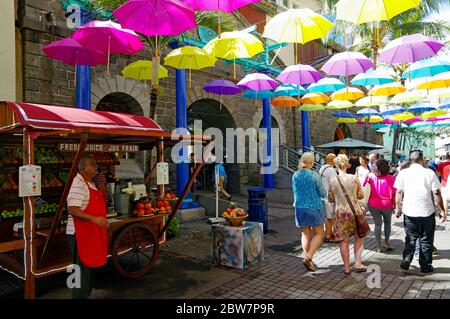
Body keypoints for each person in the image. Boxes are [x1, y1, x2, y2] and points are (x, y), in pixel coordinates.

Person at [394, 150, 446, 273]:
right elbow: (437, 193)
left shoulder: (403, 173)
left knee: (410, 237)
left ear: (410, 159)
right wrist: (442, 210)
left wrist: (397, 208)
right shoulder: (429, 173)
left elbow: (399, 192)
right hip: (427, 211)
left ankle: (407, 258)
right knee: (426, 239)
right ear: (422, 160)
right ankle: (425, 266)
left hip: (409, 211)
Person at [66, 154, 108, 299]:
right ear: (82, 168)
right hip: (79, 234)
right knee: (81, 274)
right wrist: (94, 219)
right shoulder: (78, 184)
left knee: (90, 271)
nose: (96, 166)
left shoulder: (90, 183)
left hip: (91, 233)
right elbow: (72, 209)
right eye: (92, 164)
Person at [328, 154, 367, 275]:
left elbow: (331, 199)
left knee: (343, 241)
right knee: (359, 237)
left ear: (336, 165)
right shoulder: (354, 178)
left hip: (340, 213)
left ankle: (346, 268)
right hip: (354, 212)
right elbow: (361, 195)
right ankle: (357, 263)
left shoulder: (333, 180)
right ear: (347, 165)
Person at [292, 152, 327, 272]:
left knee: (305, 234)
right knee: (319, 233)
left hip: (299, 207)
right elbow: (322, 193)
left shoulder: (295, 175)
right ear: (311, 162)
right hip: (313, 207)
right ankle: (308, 257)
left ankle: (308, 260)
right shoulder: (314, 175)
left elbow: (295, 191)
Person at [367, 159, 396, 253]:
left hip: (373, 204)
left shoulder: (370, 176)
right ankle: (386, 243)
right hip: (387, 204)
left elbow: (365, 189)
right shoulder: (390, 178)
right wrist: (395, 206)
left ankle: (378, 246)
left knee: (377, 224)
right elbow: (394, 193)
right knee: (387, 223)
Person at [319, 153, 339, 243]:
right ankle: (327, 236)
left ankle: (330, 233)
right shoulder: (331, 170)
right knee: (330, 218)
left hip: (323, 196)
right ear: (333, 160)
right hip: (329, 197)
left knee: (328, 217)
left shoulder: (322, 168)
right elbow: (334, 184)